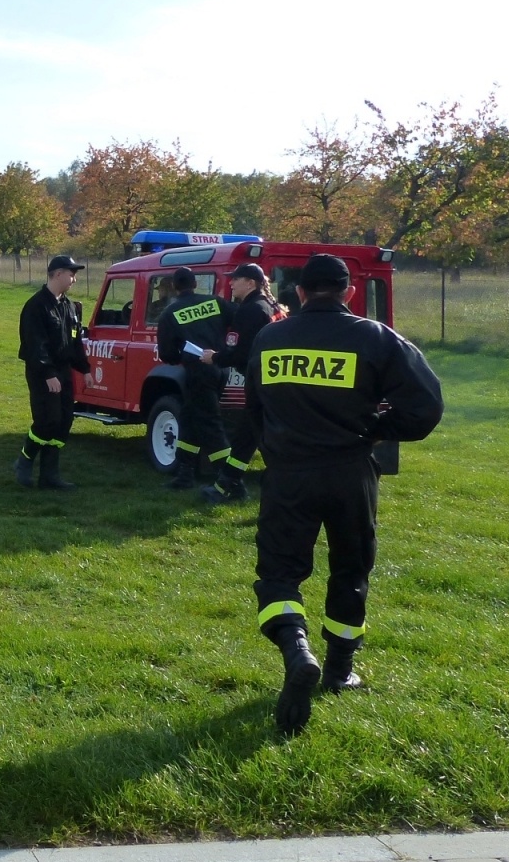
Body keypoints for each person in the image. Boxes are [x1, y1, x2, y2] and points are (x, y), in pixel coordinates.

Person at [245, 253, 443, 736]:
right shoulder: (375, 337)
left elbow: (254, 410)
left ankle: (297, 651)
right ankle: (338, 670)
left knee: (279, 573)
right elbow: (426, 406)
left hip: (289, 474)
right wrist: (376, 428)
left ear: (299, 292)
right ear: (349, 292)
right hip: (351, 471)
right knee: (351, 569)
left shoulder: (269, 337)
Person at [200, 262, 282, 502]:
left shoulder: (249, 311)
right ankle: (229, 484)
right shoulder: (271, 306)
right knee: (250, 435)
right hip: (274, 379)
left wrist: (214, 357)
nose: (231, 283)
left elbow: (238, 352)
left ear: (251, 283)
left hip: (259, 380)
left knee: (251, 434)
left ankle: (229, 486)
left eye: (236, 279)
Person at [15, 255, 90, 490]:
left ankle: (49, 475)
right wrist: (48, 373)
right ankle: (25, 460)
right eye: (71, 274)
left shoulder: (70, 307)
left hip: (64, 371)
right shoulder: (36, 306)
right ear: (57, 274)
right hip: (42, 372)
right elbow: (34, 344)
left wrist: (85, 369)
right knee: (48, 420)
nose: (74, 280)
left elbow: (75, 341)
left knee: (64, 421)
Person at [155, 266, 233, 489]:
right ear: (195, 283)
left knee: (210, 424)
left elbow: (167, 354)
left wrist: (181, 352)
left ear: (174, 287)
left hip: (198, 373)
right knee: (188, 420)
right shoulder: (216, 302)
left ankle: (230, 480)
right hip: (220, 367)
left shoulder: (170, 314)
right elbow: (236, 319)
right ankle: (185, 474)